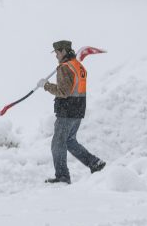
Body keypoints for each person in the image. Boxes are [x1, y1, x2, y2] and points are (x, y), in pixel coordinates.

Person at [38, 40, 106, 184]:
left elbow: (63, 91)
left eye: (57, 53)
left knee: (57, 143)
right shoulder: (78, 65)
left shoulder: (64, 67)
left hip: (67, 111)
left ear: (63, 51)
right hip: (78, 110)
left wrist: (46, 85)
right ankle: (94, 163)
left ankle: (62, 176)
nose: (56, 56)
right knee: (69, 141)